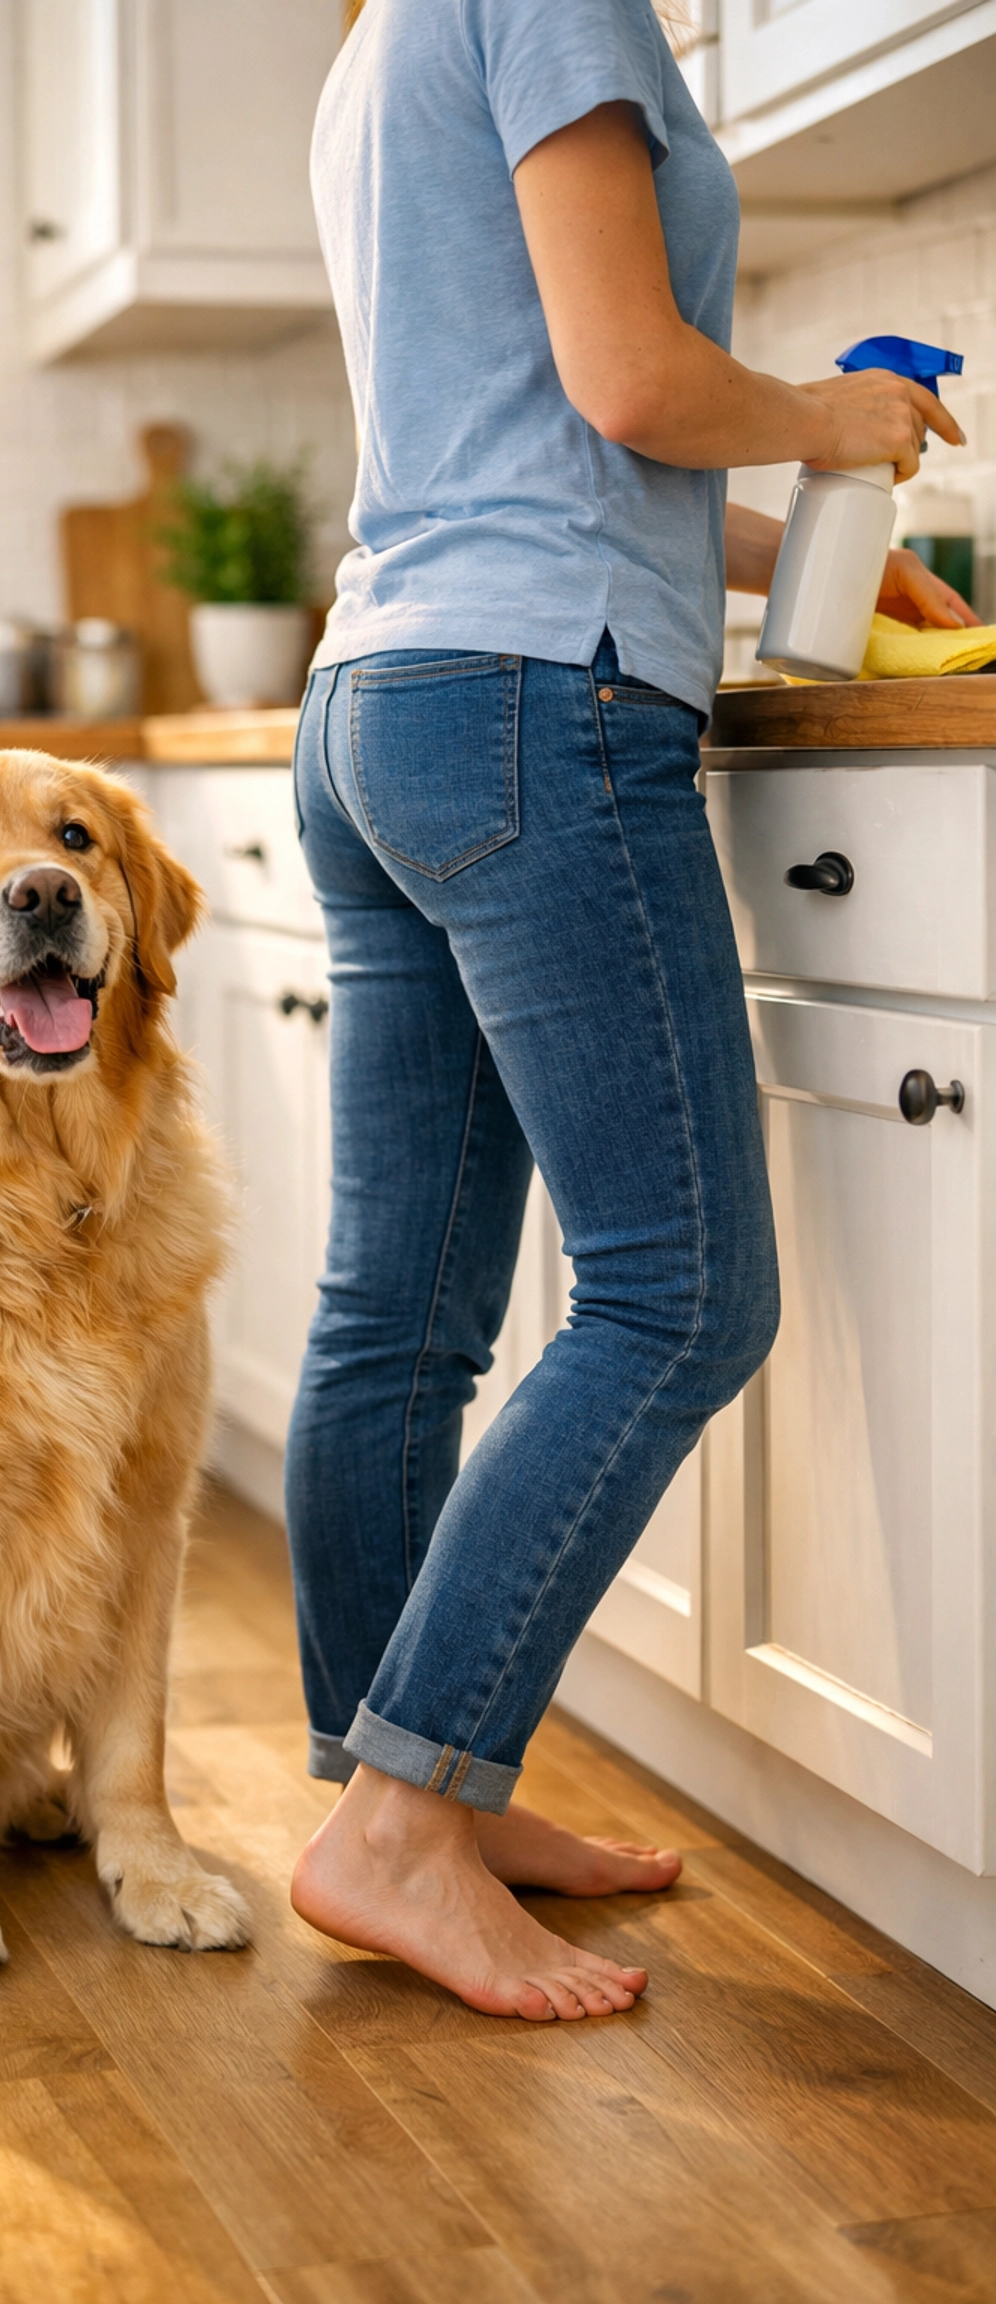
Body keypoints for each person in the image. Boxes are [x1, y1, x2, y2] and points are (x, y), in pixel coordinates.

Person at [284, 0, 975, 2023]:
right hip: (526, 700)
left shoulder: (386, 32)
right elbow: (636, 379)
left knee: (398, 1309)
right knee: (681, 1293)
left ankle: (409, 1785)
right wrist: (836, 417)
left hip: (385, 693)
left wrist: (797, 543)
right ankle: (406, 1816)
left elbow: (534, 423)